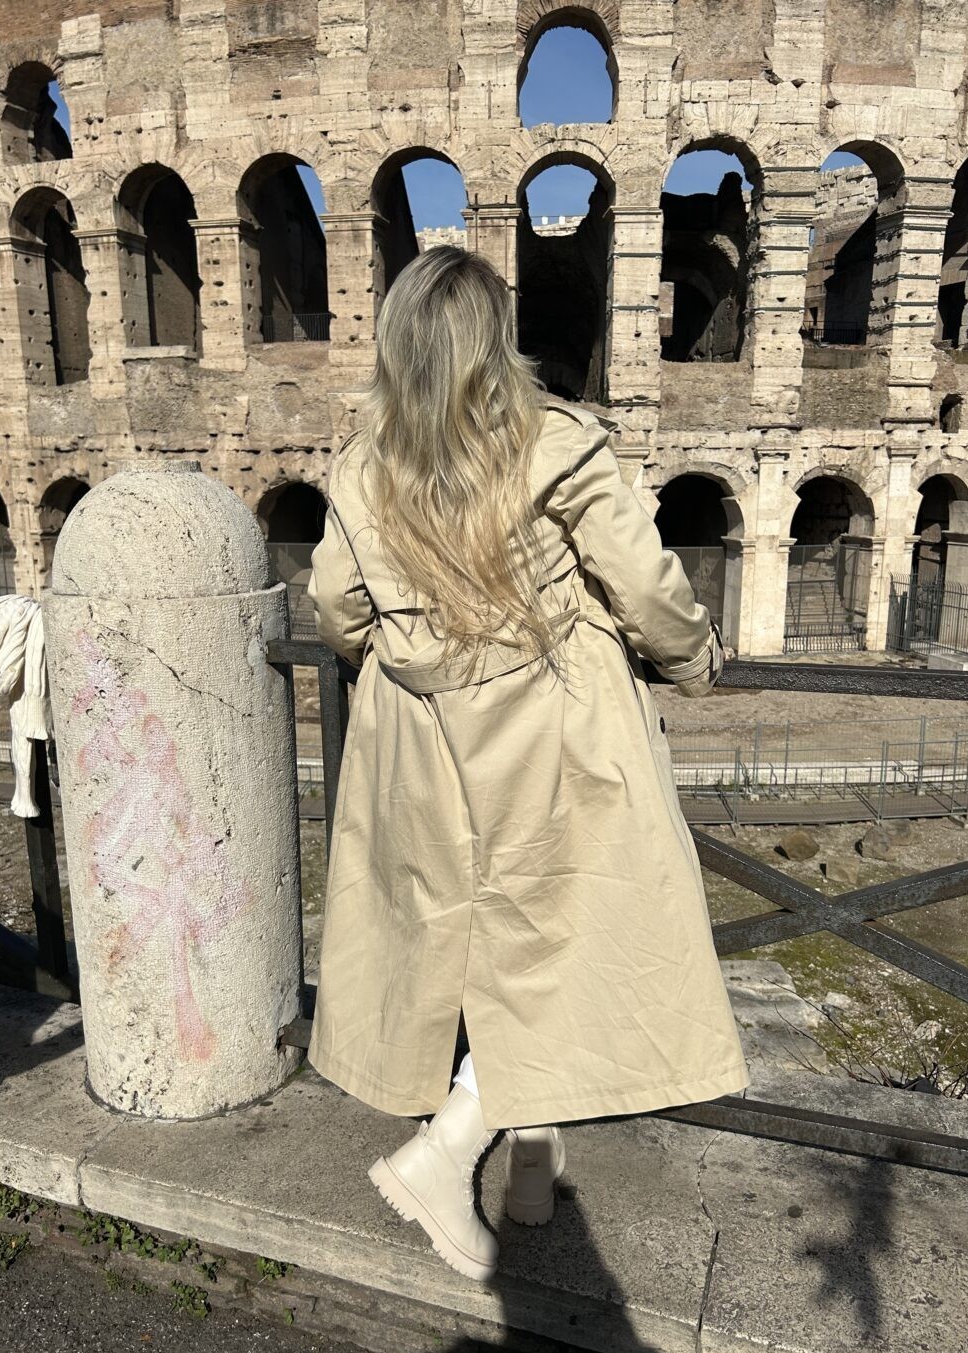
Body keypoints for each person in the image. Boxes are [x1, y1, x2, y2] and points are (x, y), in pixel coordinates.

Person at [305, 246, 750, 1283]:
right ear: (493, 343)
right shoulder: (557, 443)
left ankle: (532, 1171)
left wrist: (405, 658)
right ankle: (450, 1151)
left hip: (425, 746)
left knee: (472, 946)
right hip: (556, 733)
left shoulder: (363, 465)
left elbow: (335, 608)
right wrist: (695, 661)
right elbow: (644, 582)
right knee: (580, 941)